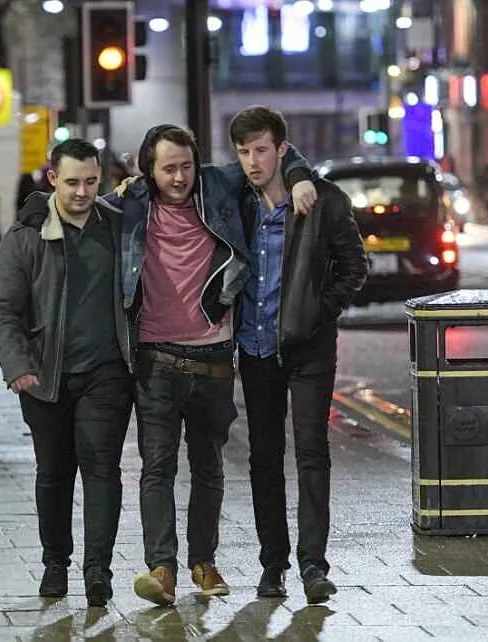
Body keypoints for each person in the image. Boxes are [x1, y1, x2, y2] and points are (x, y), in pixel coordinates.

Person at [102, 125, 316, 607]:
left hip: (214, 357)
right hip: (156, 359)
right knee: (157, 467)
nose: (179, 178)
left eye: (186, 166)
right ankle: (162, 569)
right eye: (168, 169)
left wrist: (300, 176)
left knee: (208, 467)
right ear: (148, 169)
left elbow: (277, 152)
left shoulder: (218, 183)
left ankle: (203, 562)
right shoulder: (132, 202)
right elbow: (76, 204)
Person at [0, 139, 133, 607]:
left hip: (107, 373)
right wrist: (17, 366)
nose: (82, 191)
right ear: (52, 179)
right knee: (54, 472)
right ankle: (55, 562)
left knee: (102, 468)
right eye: (71, 182)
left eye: (91, 181)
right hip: (44, 375)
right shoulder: (28, 235)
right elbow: (0, 307)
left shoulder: (116, 225)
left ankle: (98, 571)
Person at [230, 105, 366, 603]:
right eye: (243, 152)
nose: (252, 161)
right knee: (263, 457)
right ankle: (273, 565)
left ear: (281, 149)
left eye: (261, 150)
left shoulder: (323, 201)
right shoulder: (236, 201)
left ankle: (313, 565)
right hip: (255, 348)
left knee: (312, 453)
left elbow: (354, 267)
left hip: (308, 348)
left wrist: (316, 313)